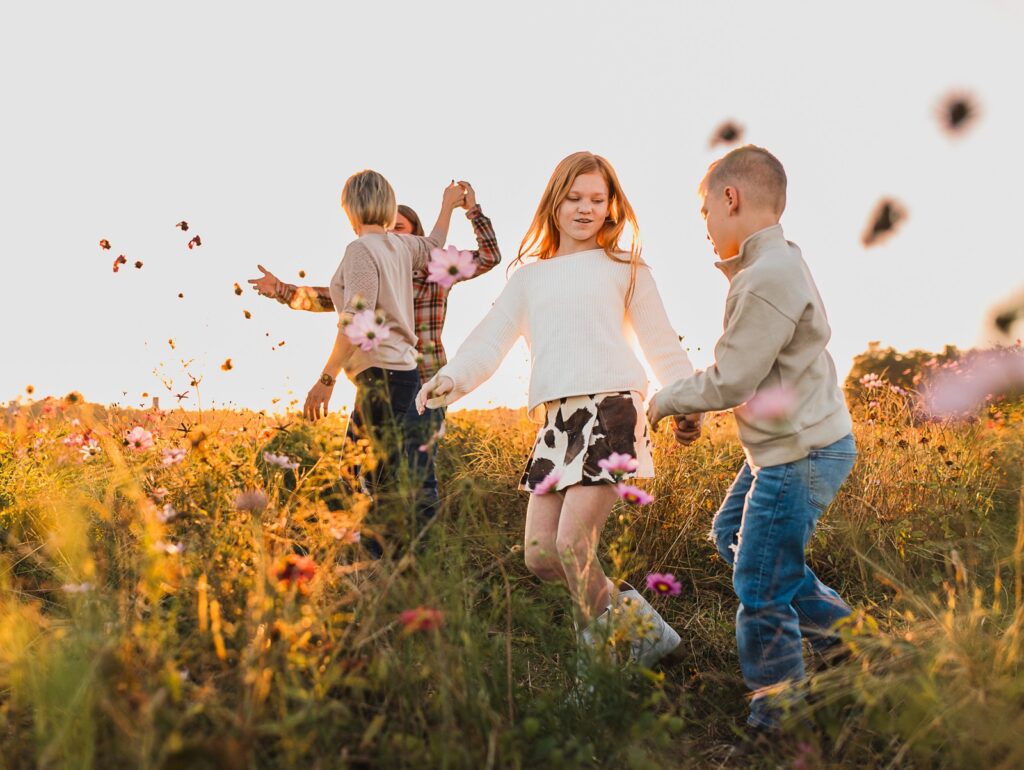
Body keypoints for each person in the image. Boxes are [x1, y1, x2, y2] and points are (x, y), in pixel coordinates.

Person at [416, 151, 700, 668]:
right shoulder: (529, 279)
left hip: (613, 411)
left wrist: (686, 400)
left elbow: (662, 346)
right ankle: (646, 635)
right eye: (573, 198)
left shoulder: (627, 268)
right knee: (542, 555)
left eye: (597, 198)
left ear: (612, 207)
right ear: (554, 203)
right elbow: (489, 341)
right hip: (557, 425)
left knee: (573, 547)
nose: (585, 208)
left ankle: (600, 671)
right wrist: (449, 379)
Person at [647, 145, 857, 731]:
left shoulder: (764, 277)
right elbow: (756, 372)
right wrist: (701, 404)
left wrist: (665, 401)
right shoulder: (776, 263)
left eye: (706, 215)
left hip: (799, 454)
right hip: (790, 446)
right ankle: (848, 640)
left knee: (759, 583)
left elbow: (734, 377)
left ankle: (779, 714)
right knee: (733, 536)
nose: (707, 230)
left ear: (730, 198)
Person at [249, 185, 501, 521]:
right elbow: (331, 299)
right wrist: (281, 290)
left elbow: (489, 255)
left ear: (414, 238)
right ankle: (374, 557)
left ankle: (419, 558)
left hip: (425, 386)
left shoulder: (439, 269)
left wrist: (470, 211)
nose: (389, 234)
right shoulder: (375, 268)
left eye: (399, 229)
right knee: (360, 473)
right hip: (380, 384)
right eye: (387, 227)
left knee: (415, 477)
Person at [303, 169, 465, 555]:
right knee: (366, 471)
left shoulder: (360, 250)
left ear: (350, 208)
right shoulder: (400, 247)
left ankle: (385, 568)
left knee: (375, 480)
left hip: (382, 378)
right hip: (401, 375)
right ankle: (393, 563)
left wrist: (325, 379)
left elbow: (358, 319)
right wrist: (447, 207)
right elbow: (435, 243)